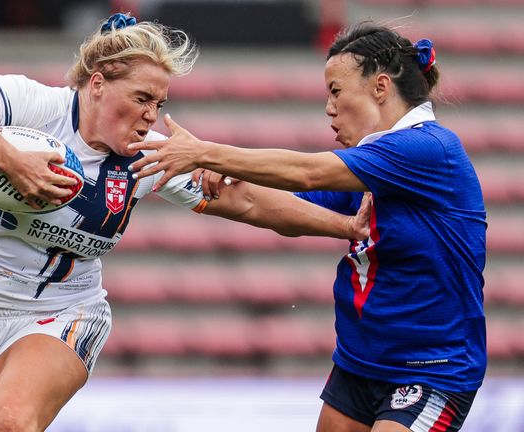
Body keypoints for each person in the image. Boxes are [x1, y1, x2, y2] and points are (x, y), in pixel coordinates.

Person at [0, 13, 373, 432]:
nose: (151, 114)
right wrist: (12, 162)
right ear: (96, 85)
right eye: (141, 98)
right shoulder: (35, 105)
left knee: (12, 421)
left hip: (57, 314)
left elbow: (248, 203)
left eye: (159, 102)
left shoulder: (147, 156)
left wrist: (345, 227)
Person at [128, 22, 486, 432]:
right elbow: (264, 205)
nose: (329, 109)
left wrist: (206, 153)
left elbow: (307, 173)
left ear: (381, 88)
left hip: (429, 369)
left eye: (336, 92)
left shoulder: (427, 149)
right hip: (360, 362)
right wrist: (189, 174)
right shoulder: (371, 162)